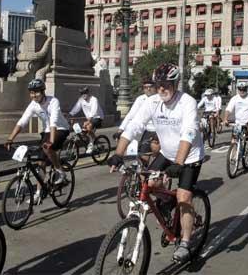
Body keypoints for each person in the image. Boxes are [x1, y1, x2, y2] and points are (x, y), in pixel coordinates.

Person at [107, 63, 204, 263]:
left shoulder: (187, 102)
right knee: (150, 184)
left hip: (189, 156)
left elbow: (188, 132)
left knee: (184, 196)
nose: (162, 89)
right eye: (159, 84)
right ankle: (168, 203)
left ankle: (185, 242)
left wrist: (178, 163)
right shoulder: (152, 102)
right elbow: (135, 126)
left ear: (176, 83)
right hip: (167, 152)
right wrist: (118, 153)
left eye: (167, 84)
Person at [5, 79, 70, 203]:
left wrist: (50, 141)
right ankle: (38, 193)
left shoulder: (53, 101)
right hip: (47, 131)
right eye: (31, 93)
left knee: (48, 148)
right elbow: (23, 121)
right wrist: (10, 138)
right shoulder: (33, 104)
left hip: (61, 129)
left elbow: (54, 121)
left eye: (36, 92)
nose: (34, 95)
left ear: (43, 91)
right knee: (41, 163)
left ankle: (60, 171)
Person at [114, 78, 157, 157]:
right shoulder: (140, 99)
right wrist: (121, 129)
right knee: (143, 154)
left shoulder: (161, 98)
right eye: (145, 87)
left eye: (150, 87)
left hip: (160, 131)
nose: (148, 89)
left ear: (155, 87)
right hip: (147, 130)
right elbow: (131, 115)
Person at [223, 81, 248, 154]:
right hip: (238, 123)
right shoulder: (235, 98)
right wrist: (225, 119)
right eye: (240, 89)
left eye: (244, 89)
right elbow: (228, 109)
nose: (242, 91)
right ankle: (234, 154)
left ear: (247, 89)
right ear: (238, 89)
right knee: (233, 140)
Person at [69, 87, 104, 154]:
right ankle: (92, 140)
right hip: (89, 118)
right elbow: (75, 109)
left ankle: (92, 142)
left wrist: (88, 121)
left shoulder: (94, 99)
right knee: (79, 130)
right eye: (82, 93)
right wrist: (69, 115)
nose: (83, 95)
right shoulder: (81, 100)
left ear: (88, 93)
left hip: (97, 117)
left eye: (85, 93)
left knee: (88, 127)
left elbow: (93, 111)